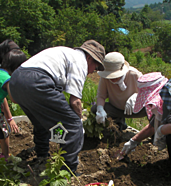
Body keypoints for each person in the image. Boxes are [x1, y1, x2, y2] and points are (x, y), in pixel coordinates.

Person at [8, 40, 106, 173]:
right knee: (73, 125)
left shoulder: (65, 53)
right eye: (96, 66)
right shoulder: (80, 61)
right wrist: (78, 121)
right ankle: (68, 171)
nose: (93, 71)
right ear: (90, 57)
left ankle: (42, 156)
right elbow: (75, 101)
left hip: (16, 80)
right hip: (37, 81)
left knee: (40, 122)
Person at [120, 72, 171, 183]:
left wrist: (161, 130)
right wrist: (133, 141)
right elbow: (152, 126)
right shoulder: (170, 95)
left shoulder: (165, 101)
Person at [92, 52, 147, 130]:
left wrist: (137, 97)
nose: (112, 78)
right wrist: (100, 109)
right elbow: (101, 96)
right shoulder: (104, 78)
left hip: (136, 110)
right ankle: (118, 125)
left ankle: (154, 134)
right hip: (116, 109)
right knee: (95, 108)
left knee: (154, 108)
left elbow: (148, 92)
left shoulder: (134, 74)